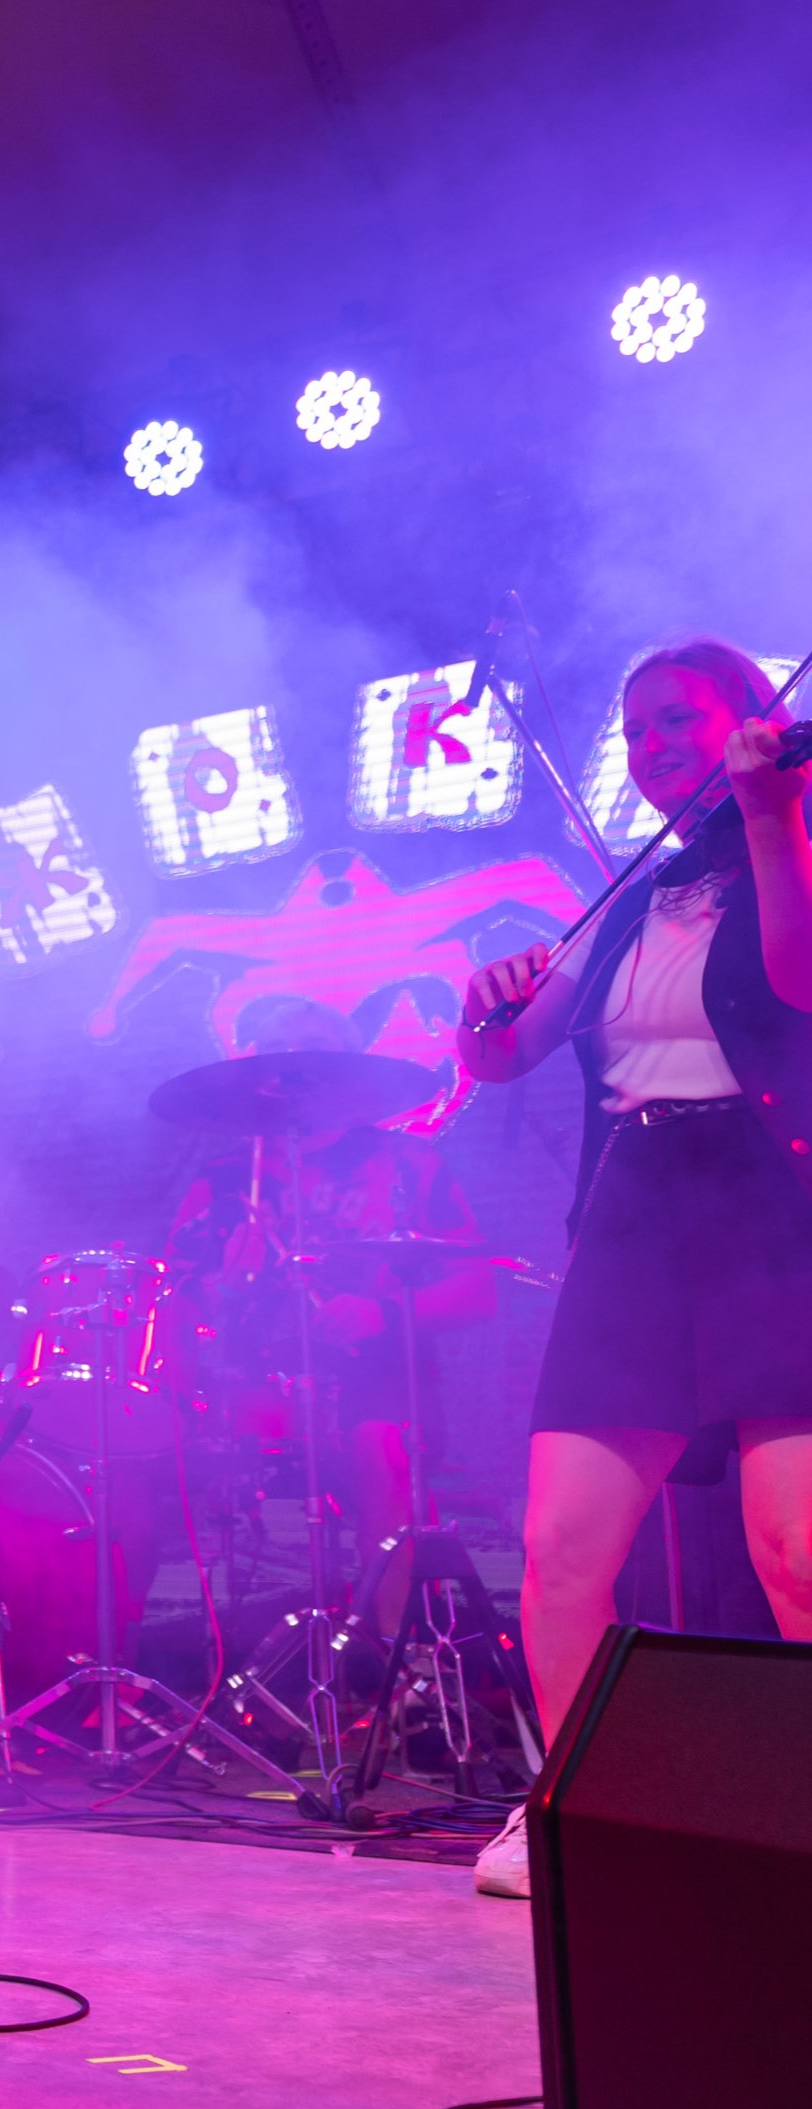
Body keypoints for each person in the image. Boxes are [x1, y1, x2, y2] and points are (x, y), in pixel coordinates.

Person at [460, 640, 812, 1899]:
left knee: (796, 1553)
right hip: (635, 1212)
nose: (649, 745)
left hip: (770, 1203)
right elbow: (504, 1056)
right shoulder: (629, 894)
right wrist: (482, 1006)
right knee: (559, 1548)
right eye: (635, 728)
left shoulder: (793, 839)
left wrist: (769, 811)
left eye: (675, 720)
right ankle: (575, 1809)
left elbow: (796, 982)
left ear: (747, 718)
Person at [167, 998, 496, 1630]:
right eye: (280, 1056)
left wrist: (383, 1314)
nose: (296, 1071)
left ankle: (399, 1656)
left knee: (378, 1444)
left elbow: (477, 1291)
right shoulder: (225, 1180)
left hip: (378, 1377)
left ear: (351, 1071)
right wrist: (225, 1290)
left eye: (315, 1054)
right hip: (253, 1382)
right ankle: (215, 1650)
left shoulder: (407, 1164)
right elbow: (175, 1308)